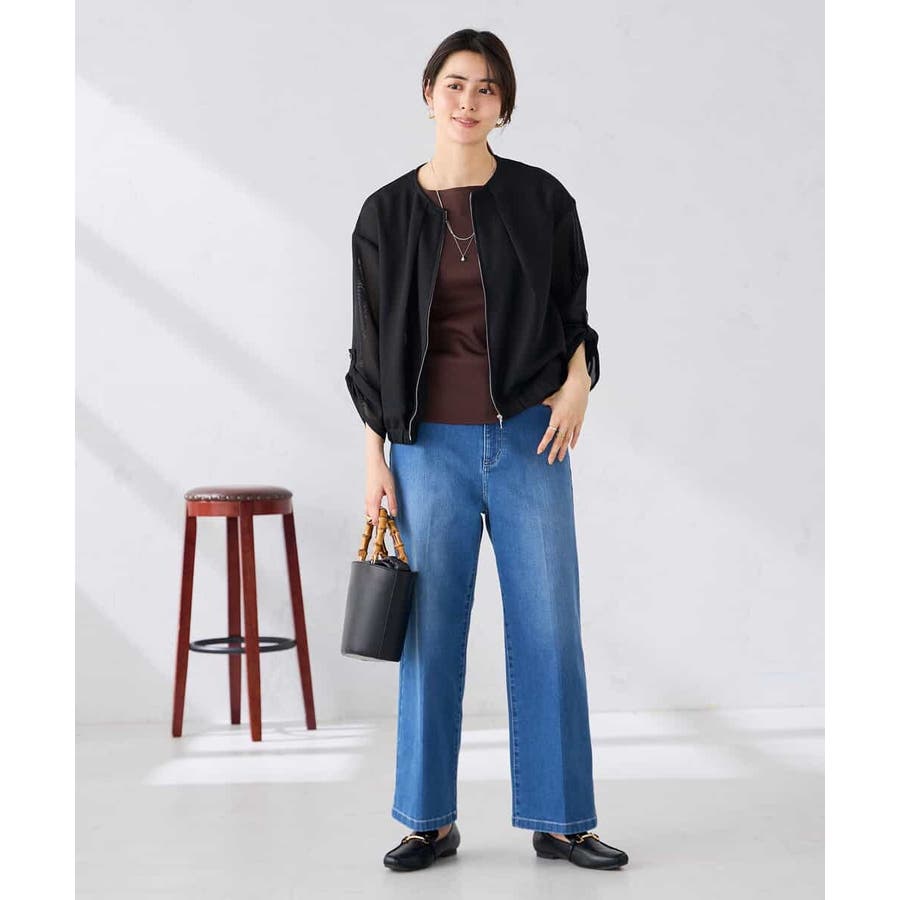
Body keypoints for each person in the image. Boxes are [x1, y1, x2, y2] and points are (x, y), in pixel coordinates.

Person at [345, 28, 630, 872]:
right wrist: (375, 460)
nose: (468, 102)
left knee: (550, 626)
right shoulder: (385, 215)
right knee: (430, 634)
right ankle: (427, 820)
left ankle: (562, 819)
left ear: (504, 106)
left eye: (486, 89)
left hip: (531, 441)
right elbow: (369, 351)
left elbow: (574, 316)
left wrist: (577, 387)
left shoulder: (541, 199)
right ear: (428, 93)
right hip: (425, 449)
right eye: (455, 84)